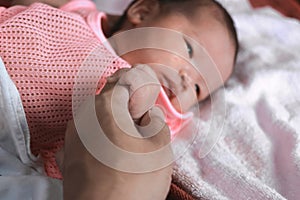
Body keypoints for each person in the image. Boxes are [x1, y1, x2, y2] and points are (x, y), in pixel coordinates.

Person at [0, 0, 238, 199]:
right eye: (189, 50)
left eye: (198, 88)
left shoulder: (156, 117)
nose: (187, 79)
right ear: (142, 12)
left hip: (31, 165)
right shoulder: (82, 17)